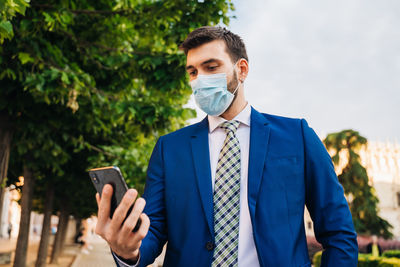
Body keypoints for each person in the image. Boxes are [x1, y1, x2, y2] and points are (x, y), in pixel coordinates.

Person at [95, 26, 358, 266]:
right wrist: (128, 250)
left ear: (242, 69)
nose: (199, 79)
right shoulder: (169, 149)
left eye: (211, 67)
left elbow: (339, 233)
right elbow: (154, 230)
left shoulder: (296, 136)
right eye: (193, 71)